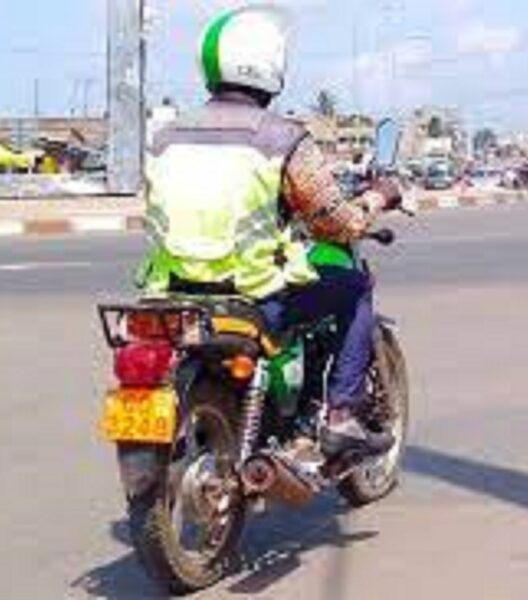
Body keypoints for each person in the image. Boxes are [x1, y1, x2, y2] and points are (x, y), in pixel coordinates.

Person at [137, 6, 401, 457]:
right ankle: (342, 415)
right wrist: (377, 197)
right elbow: (335, 221)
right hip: (253, 296)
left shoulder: (164, 137)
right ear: (272, 65)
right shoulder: (283, 138)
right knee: (355, 288)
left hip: (170, 297)